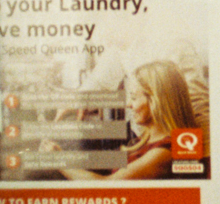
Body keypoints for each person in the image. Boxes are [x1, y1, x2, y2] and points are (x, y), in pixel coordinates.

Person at [67, 59, 198, 179]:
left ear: (156, 101)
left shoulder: (165, 152)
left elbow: (106, 185)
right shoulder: (145, 139)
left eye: (134, 98)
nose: (129, 104)